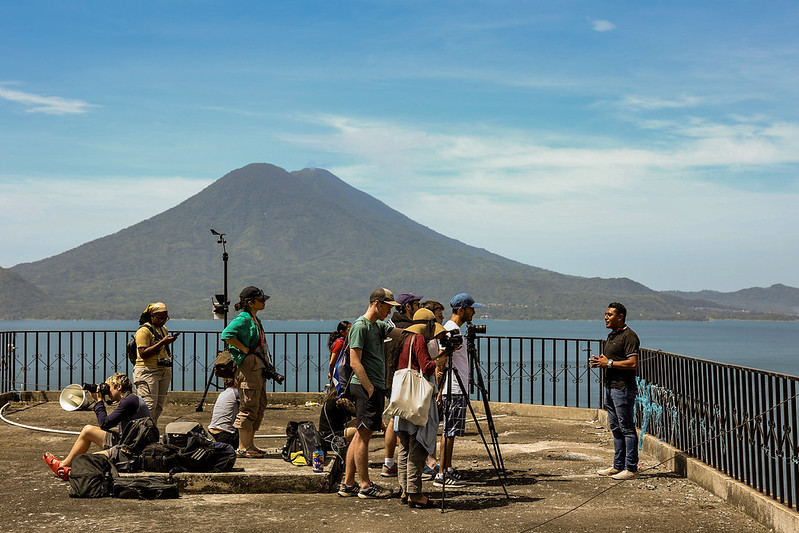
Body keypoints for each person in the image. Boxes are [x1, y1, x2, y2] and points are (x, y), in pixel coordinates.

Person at [338, 287, 403, 499]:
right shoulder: (360, 326)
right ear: (376, 303)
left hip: (371, 386)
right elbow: (355, 361)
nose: (390, 312)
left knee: (359, 434)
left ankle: (348, 484)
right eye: (387, 307)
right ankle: (365, 485)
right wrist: (370, 388)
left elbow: (401, 335)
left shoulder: (377, 326)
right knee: (364, 436)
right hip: (365, 386)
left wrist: (423, 330)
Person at [43, 373, 151, 480]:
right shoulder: (132, 399)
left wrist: (99, 401)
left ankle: (69, 473)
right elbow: (107, 423)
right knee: (87, 430)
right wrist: (99, 401)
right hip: (126, 441)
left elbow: (104, 424)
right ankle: (64, 464)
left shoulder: (129, 401)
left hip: (129, 451)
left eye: (110, 388)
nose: (108, 392)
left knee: (85, 460)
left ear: (119, 386)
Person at [393, 308, 446, 508]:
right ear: (429, 325)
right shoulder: (420, 340)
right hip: (418, 401)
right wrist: (439, 358)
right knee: (418, 446)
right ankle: (415, 493)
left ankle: (405, 490)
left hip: (405, 399)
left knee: (405, 446)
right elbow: (427, 367)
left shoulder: (405, 339)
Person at [435, 292, 483, 488]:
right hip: (453, 387)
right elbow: (441, 360)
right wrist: (440, 390)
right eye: (471, 308)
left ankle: (447, 468)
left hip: (457, 386)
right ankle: (441, 474)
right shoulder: (450, 330)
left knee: (452, 431)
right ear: (461, 309)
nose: (473, 312)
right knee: (449, 430)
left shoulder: (454, 329)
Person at [590, 302, 640, 480]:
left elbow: (633, 363)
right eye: (606, 314)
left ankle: (631, 467)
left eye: (610, 315)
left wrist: (609, 363)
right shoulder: (612, 336)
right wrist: (601, 361)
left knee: (627, 428)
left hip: (623, 389)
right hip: (610, 387)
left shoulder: (629, 336)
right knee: (615, 428)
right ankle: (617, 465)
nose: (606, 317)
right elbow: (611, 360)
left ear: (620, 317)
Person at [221, 286, 272, 458]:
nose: (264, 302)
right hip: (249, 366)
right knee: (249, 405)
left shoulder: (253, 319)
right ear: (250, 302)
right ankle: (243, 447)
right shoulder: (243, 318)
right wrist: (243, 349)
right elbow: (227, 334)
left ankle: (250, 443)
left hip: (258, 367)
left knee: (259, 404)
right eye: (260, 300)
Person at [381, 291, 422, 478]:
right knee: (406, 423)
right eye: (416, 305)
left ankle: (389, 462)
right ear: (408, 307)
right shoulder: (409, 330)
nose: (419, 308)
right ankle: (408, 464)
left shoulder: (387, 327)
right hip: (405, 380)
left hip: (389, 379)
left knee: (392, 420)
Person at [133, 302, 178, 425]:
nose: (163, 321)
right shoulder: (144, 331)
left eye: (165, 318)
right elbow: (143, 353)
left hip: (163, 370)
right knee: (148, 405)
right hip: (148, 371)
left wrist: (166, 342)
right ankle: (142, 432)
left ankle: (150, 430)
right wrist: (162, 342)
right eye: (160, 318)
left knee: (158, 406)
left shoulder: (163, 329)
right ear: (152, 316)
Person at [208, 377, 240, 449]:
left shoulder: (223, 393)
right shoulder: (237, 393)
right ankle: (246, 447)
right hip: (226, 435)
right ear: (236, 381)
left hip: (213, 432)